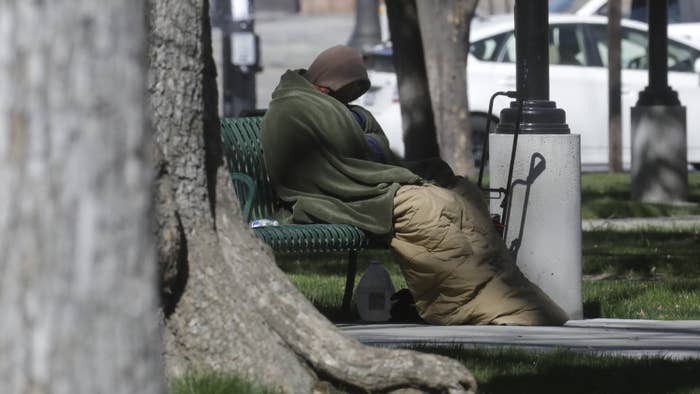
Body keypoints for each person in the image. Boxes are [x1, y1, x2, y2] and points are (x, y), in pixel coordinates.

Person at [261, 45, 568, 326]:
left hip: (360, 182)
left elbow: (367, 145)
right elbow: (348, 155)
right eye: (351, 89)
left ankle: (516, 301)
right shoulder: (296, 107)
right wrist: (368, 145)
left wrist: (370, 146)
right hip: (335, 194)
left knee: (463, 194)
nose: (352, 98)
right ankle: (463, 306)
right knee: (429, 207)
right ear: (335, 81)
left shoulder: (326, 104)